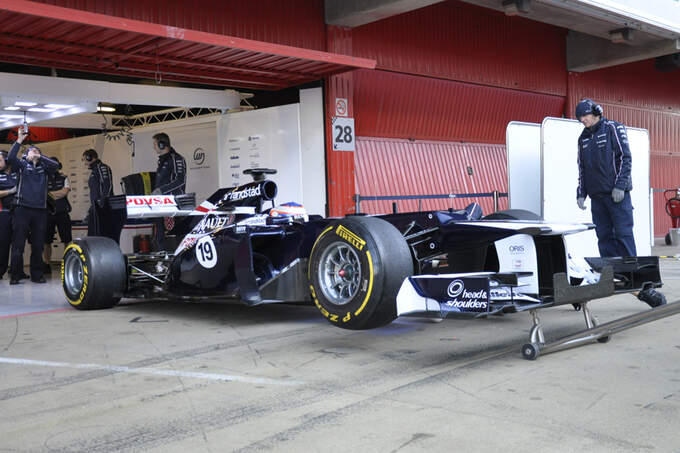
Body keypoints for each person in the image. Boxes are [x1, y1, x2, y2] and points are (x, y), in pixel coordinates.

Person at [575, 98, 664, 307]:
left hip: (616, 196)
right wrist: (581, 193)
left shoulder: (613, 128)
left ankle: (633, 275)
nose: (583, 120)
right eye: (580, 117)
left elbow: (625, 158)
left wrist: (620, 186)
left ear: (596, 112)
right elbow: (582, 168)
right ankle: (612, 274)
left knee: (623, 234)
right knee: (603, 236)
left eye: (585, 115)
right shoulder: (583, 138)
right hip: (597, 198)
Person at [7, 129, 59, 284]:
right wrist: (19, 140)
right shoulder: (22, 165)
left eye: (37, 150)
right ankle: (15, 275)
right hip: (22, 208)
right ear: (26, 154)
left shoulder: (45, 167)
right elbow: (10, 157)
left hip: (40, 210)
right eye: (31, 150)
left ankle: (37, 275)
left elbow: (56, 165)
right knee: (18, 244)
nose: (34, 151)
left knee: (38, 244)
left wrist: (40, 156)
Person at [151, 133, 186, 249]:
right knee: (160, 239)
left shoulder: (177, 159)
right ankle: (162, 264)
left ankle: (174, 265)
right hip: (161, 204)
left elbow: (180, 181)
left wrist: (161, 190)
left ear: (162, 144)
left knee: (172, 240)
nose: (154, 147)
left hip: (172, 206)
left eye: (155, 144)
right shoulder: (162, 161)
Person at [83, 148, 123, 243]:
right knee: (92, 237)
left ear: (90, 158)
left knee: (103, 236)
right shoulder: (94, 171)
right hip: (95, 208)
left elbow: (107, 186)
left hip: (102, 209)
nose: (84, 163)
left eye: (85, 159)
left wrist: (102, 204)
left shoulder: (102, 168)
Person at [43, 156, 72, 273]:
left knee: (67, 239)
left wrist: (49, 194)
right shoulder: (43, 178)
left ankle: (68, 262)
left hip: (62, 212)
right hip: (48, 213)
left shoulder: (64, 177)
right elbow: (43, 194)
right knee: (46, 241)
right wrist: (55, 194)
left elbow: (64, 192)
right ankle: (46, 264)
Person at [0, 150, 19, 280]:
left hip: (20, 212)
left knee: (18, 243)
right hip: (4, 213)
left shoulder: (18, 172)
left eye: (0, 160)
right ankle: (1, 271)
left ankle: (17, 272)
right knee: (3, 243)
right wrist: (10, 191)